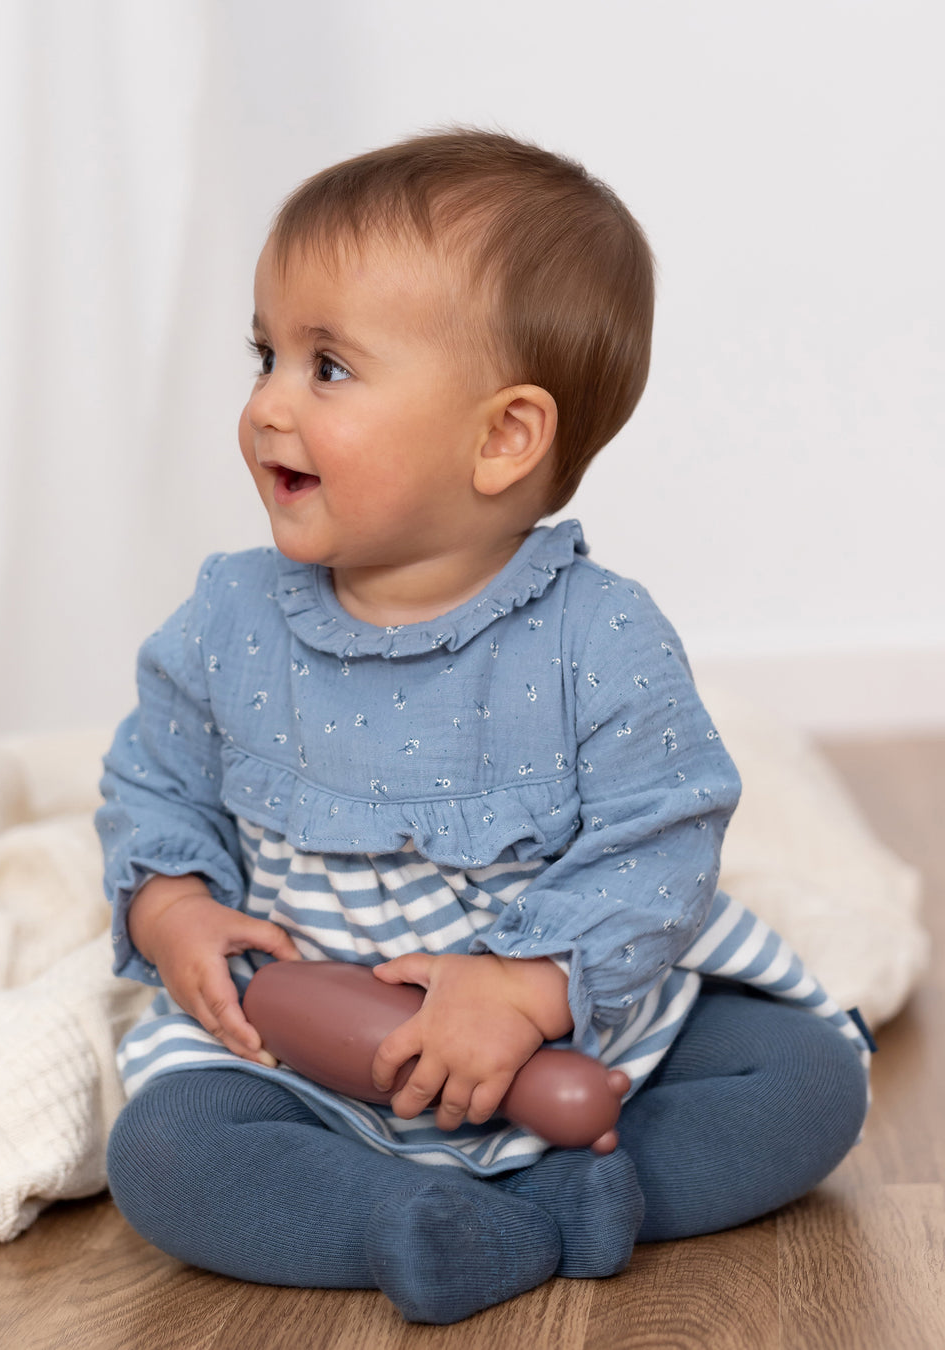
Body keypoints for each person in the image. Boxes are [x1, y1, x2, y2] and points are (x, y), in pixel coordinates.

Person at [97, 129, 871, 1325]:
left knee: (805, 1082)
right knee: (166, 1152)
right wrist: (173, 904)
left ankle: (575, 1192)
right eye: (264, 356)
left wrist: (521, 990)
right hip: (313, 1051)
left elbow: (660, 841)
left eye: (328, 368)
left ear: (503, 436)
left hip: (580, 1034)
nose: (264, 406)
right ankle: (390, 1217)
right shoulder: (229, 619)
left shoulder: (599, 636)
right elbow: (156, 781)